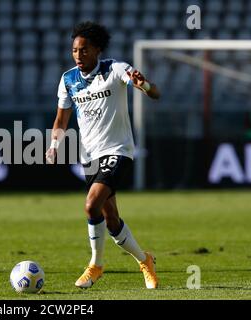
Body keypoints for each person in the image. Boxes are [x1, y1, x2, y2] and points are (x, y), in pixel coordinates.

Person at [46, 22, 160, 289]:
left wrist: (144, 86)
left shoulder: (116, 69)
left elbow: (154, 92)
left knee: (90, 205)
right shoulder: (67, 80)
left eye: (84, 50)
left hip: (118, 150)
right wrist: (54, 145)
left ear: (97, 49)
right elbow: (61, 120)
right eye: (75, 50)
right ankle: (145, 260)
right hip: (90, 156)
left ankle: (96, 265)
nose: (78, 55)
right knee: (111, 218)